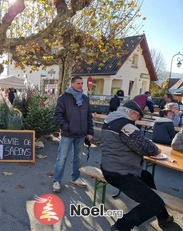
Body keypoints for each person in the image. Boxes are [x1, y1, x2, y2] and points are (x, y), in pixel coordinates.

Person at [100, 100, 173, 231]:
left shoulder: (111, 120)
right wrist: (157, 150)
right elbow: (147, 147)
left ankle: (164, 217)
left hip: (110, 167)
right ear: (132, 114)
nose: (137, 120)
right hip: (120, 173)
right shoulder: (125, 126)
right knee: (155, 204)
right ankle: (120, 227)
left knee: (146, 176)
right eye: (138, 116)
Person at [52, 76, 94, 192]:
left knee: (79, 158)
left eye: (82, 83)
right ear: (72, 84)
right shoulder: (64, 98)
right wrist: (67, 127)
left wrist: (90, 132)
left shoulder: (85, 99)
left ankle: (75, 178)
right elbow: (57, 116)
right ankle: (56, 181)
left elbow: (88, 117)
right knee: (62, 158)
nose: (81, 85)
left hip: (81, 135)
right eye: (78, 83)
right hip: (67, 134)